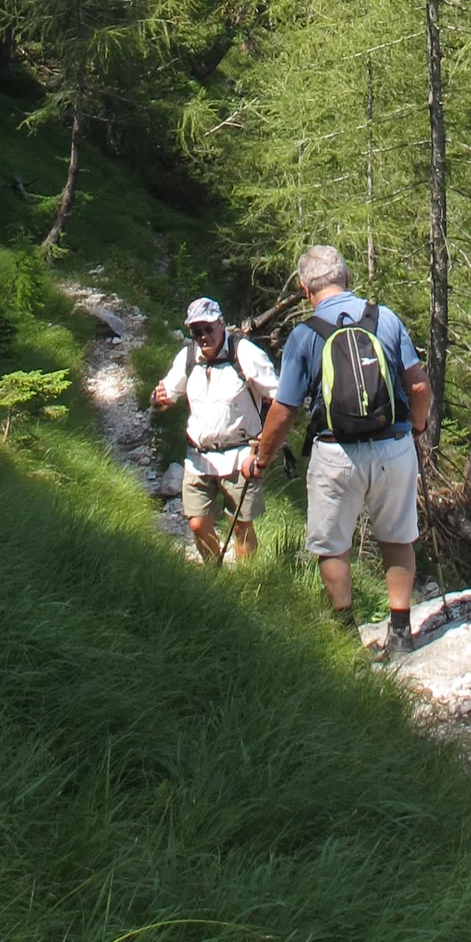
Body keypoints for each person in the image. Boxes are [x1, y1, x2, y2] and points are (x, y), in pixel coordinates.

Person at [243, 245, 432, 652]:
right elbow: (418, 385)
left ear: (304, 288)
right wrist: (416, 427)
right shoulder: (385, 319)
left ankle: (346, 635)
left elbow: (284, 410)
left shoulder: (304, 334)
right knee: (397, 538)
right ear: (346, 278)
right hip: (393, 447)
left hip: (335, 452)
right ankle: (401, 631)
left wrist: (262, 458)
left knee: (332, 546)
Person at [151, 296, 280, 567]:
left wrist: (263, 446)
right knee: (197, 524)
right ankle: (213, 571)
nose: (203, 336)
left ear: (221, 324)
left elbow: (279, 398)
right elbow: (165, 398)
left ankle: (245, 578)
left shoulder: (245, 354)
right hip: (198, 458)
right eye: (196, 331)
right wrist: (157, 399)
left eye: (208, 328)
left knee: (240, 525)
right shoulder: (188, 357)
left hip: (241, 456)